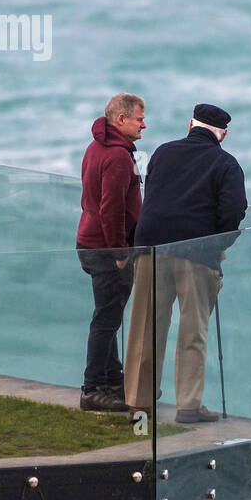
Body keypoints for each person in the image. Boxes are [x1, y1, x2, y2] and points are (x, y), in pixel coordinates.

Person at [123, 103, 246, 423]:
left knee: (146, 326)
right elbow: (233, 212)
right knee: (193, 329)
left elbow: (154, 197)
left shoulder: (163, 152)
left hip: (151, 248)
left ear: (191, 125)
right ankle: (189, 406)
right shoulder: (226, 163)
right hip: (196, 253)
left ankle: (139, 402)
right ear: (223, 134)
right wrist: (217, 245)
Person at [76, 93, 145, 412]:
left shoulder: (95, 147)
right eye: (138, 118)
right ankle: (92, 390)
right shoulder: (118, 156)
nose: (143, 124)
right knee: (106, 319)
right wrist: (120, 252)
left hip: (89, 242)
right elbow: (112, 209)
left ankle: (112, 381)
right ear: (121, 119)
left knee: (109, 315)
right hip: (106, 249)